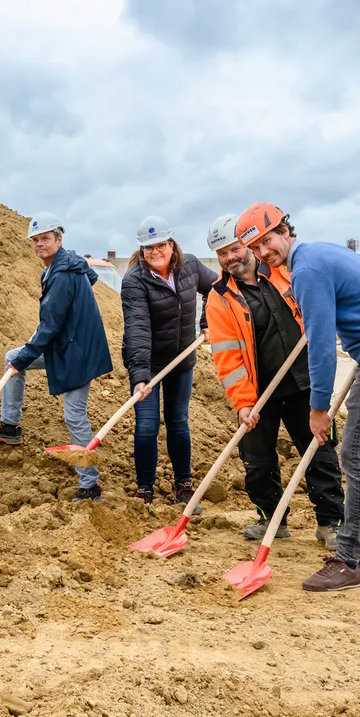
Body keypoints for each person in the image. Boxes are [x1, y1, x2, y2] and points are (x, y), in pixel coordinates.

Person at [238, 203, 360, 592]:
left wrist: (318, 408)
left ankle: (347, 560)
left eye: (267, 241)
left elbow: (321, 348)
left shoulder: (306, 271)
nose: (263, 252)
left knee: (355, 455)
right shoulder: (321, 252)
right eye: (255, 248)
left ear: (285, 231)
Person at [204, 213, 345, 550]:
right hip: (258, 392)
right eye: (222, 254)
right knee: (257, 461)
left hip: (303, 382)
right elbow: (227, 358)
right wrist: (243, 403)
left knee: (319, 452)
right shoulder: (219, 298)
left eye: (235, 248)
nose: (230, 258)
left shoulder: (285, 270)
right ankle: (272, 519)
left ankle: (330, 523)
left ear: (249, 245)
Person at [0, 212, 113, 502]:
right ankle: (10, 426)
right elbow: (91, 277)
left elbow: (49, 328)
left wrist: (24, 359)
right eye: (36, 240)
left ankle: (90, 485)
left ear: (58, 240)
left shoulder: (62, 275)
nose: (40, 244)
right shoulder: (62, 266)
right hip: (66, 346)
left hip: (78, 352)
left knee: (74, 414)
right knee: (12, 356)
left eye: (46, 238)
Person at [120, 215, 218, 506]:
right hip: (148, 363)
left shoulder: (191, 266)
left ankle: (184, 486)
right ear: (142, 250)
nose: (156, 252)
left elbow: (216, 288)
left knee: (178, 422)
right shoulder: (134, 281)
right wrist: (140, 376)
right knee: (147, 425)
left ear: (171, 244)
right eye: (149, 248)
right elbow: (137, 328)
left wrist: (207, 322)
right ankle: (145, 490)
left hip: (182, 360)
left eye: (161, 245)